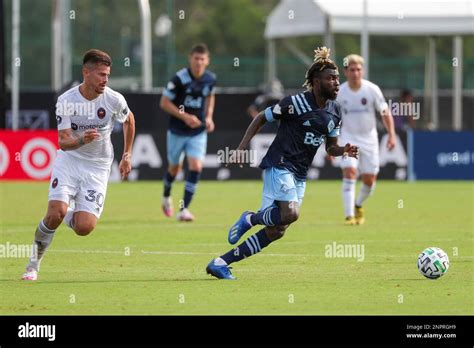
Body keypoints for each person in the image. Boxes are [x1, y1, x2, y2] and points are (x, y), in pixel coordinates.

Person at [205, 47, 359, 280]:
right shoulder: (294, 103)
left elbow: (330, 147)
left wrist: (343, 150)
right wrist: (241, 147)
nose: (337, 83)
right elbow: (260, 117)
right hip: (280, 164)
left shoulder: (336, 111)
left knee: (278, 230)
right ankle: (251, 218)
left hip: (299, 174)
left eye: (338, 78)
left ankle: (220, 262)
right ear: (317, 81)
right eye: (331, 78)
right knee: (291, 213)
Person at [22, 49, 136, 281]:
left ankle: (67, 214)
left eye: (108, 75)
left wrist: (127, 155)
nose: (105, 80)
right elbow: (63, 142)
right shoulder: (66, 101)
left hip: (98, 167)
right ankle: (33, 265)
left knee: (84, 227)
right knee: (54, 214)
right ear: (86, 72)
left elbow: (130, 120)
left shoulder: (114, 99)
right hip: (70, 161)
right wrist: (82, 140)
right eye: (101, 74)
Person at [336, 54, 395, 225]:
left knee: (369, 181)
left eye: (359, 69)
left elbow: (385, 112)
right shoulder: (339, 92)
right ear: (346, 72)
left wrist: (391, 134)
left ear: (363, 71)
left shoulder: (372, 90)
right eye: (352, 70)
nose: (356, 73)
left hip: (369, 139)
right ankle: (349, 216)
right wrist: (330, 142)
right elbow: (331, 118)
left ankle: (358, 204)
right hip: (348, 138)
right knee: (350, 172)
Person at [160, 43, 216, 222]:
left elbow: (210, 96)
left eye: (202, 59)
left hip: (197, 132)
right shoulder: (179, 78)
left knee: (196, 167)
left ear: (207, 61)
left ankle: (184, 210)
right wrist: (185, 116)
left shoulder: (210, 79)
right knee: (174, 169)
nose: (199, 62)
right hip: (177, 130)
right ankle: (166, 195)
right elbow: (164, 102)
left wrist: (208, 117)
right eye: (196, 58)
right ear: (190, 59)